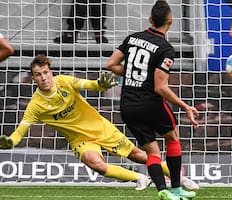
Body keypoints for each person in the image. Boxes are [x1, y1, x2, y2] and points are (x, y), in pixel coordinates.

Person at [0, 54, 198, 193]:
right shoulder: (36, 105)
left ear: (50, 72)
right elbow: (21, 130)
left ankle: (178, 177)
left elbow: (88, 85)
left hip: (100, 128)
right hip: (80, 140)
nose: (43, 78)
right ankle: (139, 178)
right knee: (96, 164)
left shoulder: (64, 82)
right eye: (38, 74)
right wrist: (10, 141)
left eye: (45, 72)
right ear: (33, 78)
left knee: (138, 155)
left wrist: (100, 85)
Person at [106, 1, 199, 199]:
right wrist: (185, 106)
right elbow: (160, 87)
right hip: (151, 103)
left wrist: (134, 74)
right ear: (171, 21)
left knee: (152, 151)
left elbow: (111, 64)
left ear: (150, 20)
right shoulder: (166, 49)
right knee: (172, 138)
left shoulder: (132, 38)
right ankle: (175, 188)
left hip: (128, 105)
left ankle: (162, 191)